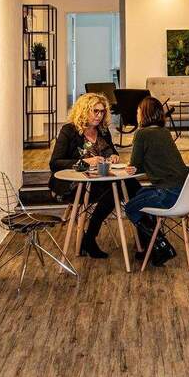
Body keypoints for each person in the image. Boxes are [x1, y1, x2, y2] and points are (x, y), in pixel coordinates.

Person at [49, 92, 141, 259]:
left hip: (99, 181)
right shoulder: (69, 130)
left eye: (102, 112)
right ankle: (90, 238)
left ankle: (146, 234)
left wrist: (113, 156)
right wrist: (85, 161)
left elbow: (111, 151)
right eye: (95, 111)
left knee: (131, 184)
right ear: (84, 111)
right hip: (74, 184)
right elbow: (55, 163)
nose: (99, 116)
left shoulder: (103, 131)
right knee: (115, 191)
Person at [123, 96, 189, 267]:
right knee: (140, 193)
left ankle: (161, 245)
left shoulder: (141, 134)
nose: (137, 114)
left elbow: (135, 165)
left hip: (168, 194)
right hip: (185, 192)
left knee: (130, 207)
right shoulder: (164, 132)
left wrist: (132, 168)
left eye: (138, 111)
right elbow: (157, 161)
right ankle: (150, 246)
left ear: (144, 114)